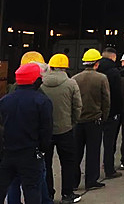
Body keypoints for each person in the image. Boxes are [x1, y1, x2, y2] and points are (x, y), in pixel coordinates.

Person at [0, 63, 53, 204]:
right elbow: (46, 130)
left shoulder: (5, 101)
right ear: (36, 80)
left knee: (4, 187)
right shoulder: (42, 101)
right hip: (30, 153)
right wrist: (42, 150)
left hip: (8, 153)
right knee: (32, 190)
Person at [40, 53, 82, 204]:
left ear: (50, 66)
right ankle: (67, 194)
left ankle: (48, 194)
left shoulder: (41, 84)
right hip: (65, 129)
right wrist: (72, 122)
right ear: (65, 67)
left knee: (46, 163)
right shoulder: (71, 83)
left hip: (46, 131)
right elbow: (77, 106)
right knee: (68, 162)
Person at [72, 48, 110, 191]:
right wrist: (104, 117)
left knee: (76, 153)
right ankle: (91, 180)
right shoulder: (102, 78)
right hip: (94, 120)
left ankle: (73, 182)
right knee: (93, 152)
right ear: (97, 63)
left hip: (78, 121)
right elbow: (106, 100)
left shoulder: (75, 79)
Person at [97, 47, 123, 180]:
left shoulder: (95, 69)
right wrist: (118, 111)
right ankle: (109, 168)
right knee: (109, 142)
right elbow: (117, 94)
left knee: (93, 144)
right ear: (114, 57)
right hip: (111, 112)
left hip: (95, 112)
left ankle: (93, 172)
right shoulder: (114, 72)